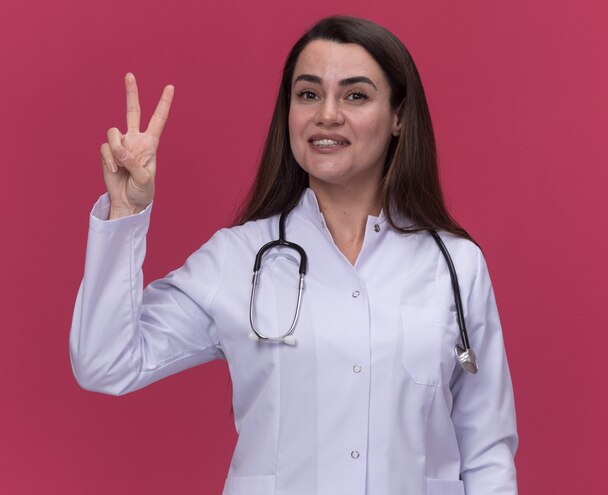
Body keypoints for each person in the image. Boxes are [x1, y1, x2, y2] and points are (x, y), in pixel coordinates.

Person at [70, 15, 518, 495]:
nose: (327, 114)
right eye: (308, 94)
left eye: (355, 95)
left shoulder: (454, 265)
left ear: (399, 117)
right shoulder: (239, 258)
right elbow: (106, 362)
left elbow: (486, 449)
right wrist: (126, 211)